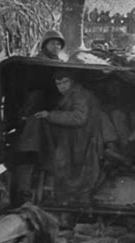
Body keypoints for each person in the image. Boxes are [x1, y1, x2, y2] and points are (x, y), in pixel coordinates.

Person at [14, 70, 101, 204]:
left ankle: (30, 151)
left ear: (72, 81)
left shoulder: (80, 95)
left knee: (39, 122)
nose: (62, 86)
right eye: (58, 83)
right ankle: (30, 151)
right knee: (37, 120)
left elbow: (79, 118)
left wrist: (50, 115)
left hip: (81, 136)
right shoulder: (71, 94)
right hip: (73, 133)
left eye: (65, 82)